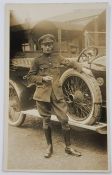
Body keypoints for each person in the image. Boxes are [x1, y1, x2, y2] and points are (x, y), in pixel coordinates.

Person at [26, 34, 82, 158]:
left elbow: (70, 63)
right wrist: (42, 78)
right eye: (46, 45)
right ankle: (49, 147)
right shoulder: (37, 61)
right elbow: (30, 77)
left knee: (64, 120)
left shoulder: (58, 57)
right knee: (46, 122)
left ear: (52, 45)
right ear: (41, 46)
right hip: (42, 95)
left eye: (50, 44)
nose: (48, 47)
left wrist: (81, 69)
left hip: (57, 95)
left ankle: (68, 147)